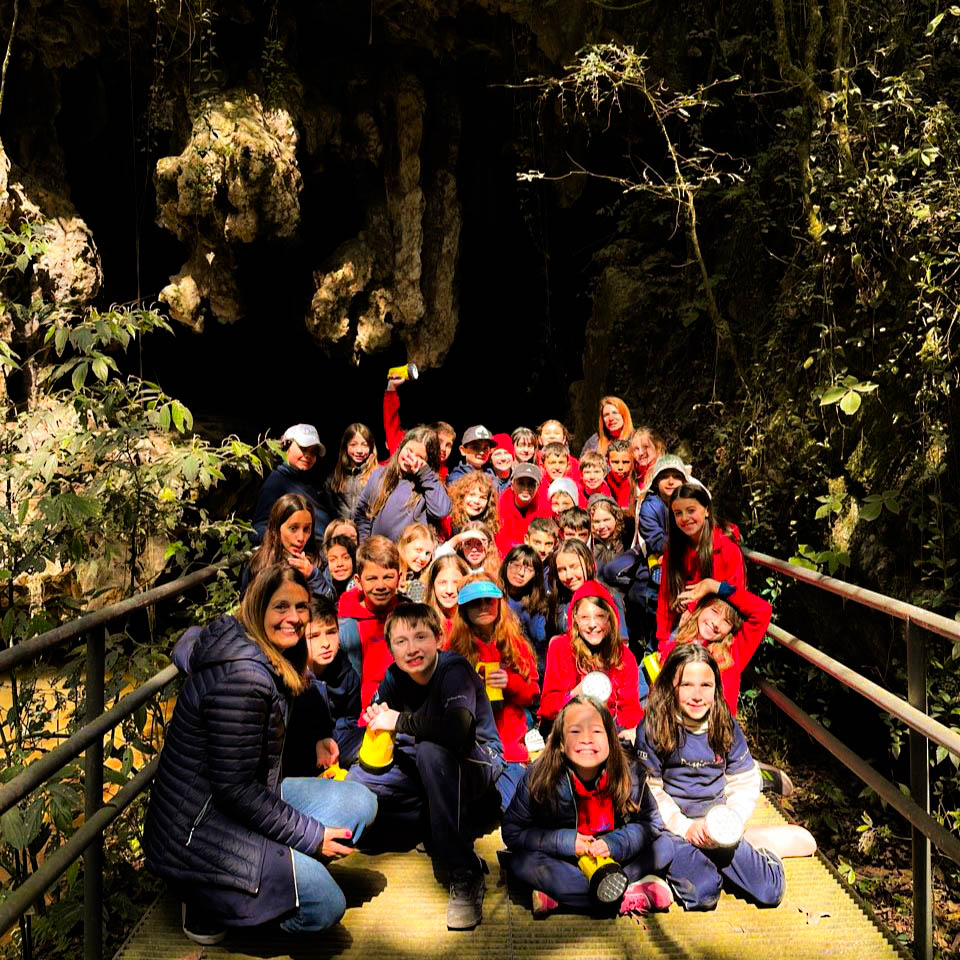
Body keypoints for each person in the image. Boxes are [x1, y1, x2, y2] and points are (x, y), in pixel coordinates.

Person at [144, 565, 378, 942]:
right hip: (199, 832)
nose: (295, 618)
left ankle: (273, 875)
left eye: (301, 607)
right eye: (280, 607)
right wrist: (311, 837)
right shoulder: (244, 678)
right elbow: (234, 791)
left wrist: (318, 735)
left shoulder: (246, 642)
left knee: (359, 802)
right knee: (325, 904)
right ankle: (207, 898)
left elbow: (191, 642)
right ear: (257, 607)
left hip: (240, 799)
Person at [348, 602, 505, 930]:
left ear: (438, 638)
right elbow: (378, 721)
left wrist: (398, 720)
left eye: (420, 637)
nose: (412, 649)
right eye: (401, 642)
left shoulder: (454, 670)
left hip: (476, 759)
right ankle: (434, 823)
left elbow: (457, 730)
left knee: (432, 749)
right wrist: (376, 720)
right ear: (390, 648)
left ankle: (464, 871)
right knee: (359, 780)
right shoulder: (395, 676)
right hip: (423, 764)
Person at [635, 645, 815, 911]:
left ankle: (756, 845)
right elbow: (650, 790)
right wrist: (685, 827)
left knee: (769, 891)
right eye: (687, 685)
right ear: (670, 686)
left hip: (717, 825)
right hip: (673, 827)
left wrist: (732, 821)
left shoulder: (725, 724)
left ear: (716, 688)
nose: (697, 695)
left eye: (706, 685)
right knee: (703, 894)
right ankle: (705, 861)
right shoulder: (652, 727)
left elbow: (744, 780)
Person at [501, 696, 673, 917]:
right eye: (575, 731)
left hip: (614, 858)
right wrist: (566, 841)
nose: (586, 739)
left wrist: (614, 843)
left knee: (666, 845)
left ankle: (568, 898)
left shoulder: (630, 772)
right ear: (561, 744)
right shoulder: (539, 776)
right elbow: (513, 832)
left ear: (611, 740)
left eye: (596, 731)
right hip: (565, 861)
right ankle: (624, 895)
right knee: (521, 862)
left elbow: (652, 823)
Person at [540, 581, 644, 735]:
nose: (592, 624)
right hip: (568, 728)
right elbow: (548, 707)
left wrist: (631, 730)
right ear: (575, 618)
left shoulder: (624, 655)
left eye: (600, 616)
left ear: (610, 619)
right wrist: (575, 694)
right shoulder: (561, 647)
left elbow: (630, 707)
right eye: (584, 617)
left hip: (610, 732)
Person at [658, 579, 772, 717]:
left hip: (716, 732)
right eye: (714, 611)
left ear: (731, 629)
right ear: (701, 608)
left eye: (727, 621)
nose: (717, 623)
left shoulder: (732, 652)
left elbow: (763, 611)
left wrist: (713, 586)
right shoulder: (676, 646)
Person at [656, 483, 746, 644]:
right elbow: (665, 596)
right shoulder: (674, 549)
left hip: (714, 629)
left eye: (691, 511)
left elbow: (736, 596)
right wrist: (662, 640)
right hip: (683, 625)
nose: (684, 518)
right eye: (678, 513)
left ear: (706, 510)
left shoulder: (727, 549)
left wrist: (693, 608)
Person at [285, 597, 364, 771]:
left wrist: (331, 737)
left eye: (331, 632)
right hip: (301, 750)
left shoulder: (347, 673)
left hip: (336, 743)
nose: (326, 644)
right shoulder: (291, 676)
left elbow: (350, 718)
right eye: (313, 636)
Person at [337, 536, 402, 710]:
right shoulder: (345, 624)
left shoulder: (408, 616)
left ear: (399, 578)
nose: (380, 586)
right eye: (372, 578)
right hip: (360, 717)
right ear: (358, 582)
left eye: (388, 577)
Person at [355, 426, 452, 542]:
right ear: (402, 446)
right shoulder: (379, 475)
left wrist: (425, 473)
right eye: (409, 450)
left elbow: (442, 510)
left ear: (427, 463)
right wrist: (364, 544)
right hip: (377, 554)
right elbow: (362, 513)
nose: (410, 457)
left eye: (419, 456)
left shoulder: (428, 486)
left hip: (410, 556)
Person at [241, 494, 334, 601]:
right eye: (293, 528)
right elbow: (246, 609)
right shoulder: (257, 563)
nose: (301, 538)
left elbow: (329, 605)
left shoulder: (319, 561)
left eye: (306, 529)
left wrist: (313, 575)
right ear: (276, 528)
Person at [251, 424, 330, 544]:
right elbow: (257, 529)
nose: (308, 455)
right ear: (285, 447)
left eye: (313, 452)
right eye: (303, 449)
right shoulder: (276, 482)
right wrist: (285, 543)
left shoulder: (312, 480)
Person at [383, 369, 456, 482]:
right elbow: (391, 421)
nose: (443, 449)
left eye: (448, 445)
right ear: (429, 439)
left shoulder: (446, 474)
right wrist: (391, 387)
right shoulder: (406, 451)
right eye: (440, 441)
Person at [500, 545, 550, 675]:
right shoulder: (493, 596)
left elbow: (540, 647)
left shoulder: (538, 604)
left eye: (529, 569)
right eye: (516, 565)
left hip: (530, 669)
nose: (521, 573)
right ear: (507, 564)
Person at [327, 424, 379, 521]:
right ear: (345, 446)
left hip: (367, 533)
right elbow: (329, 507)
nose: (359, 450)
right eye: (353, 444)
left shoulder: (378, 475)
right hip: (342, 531)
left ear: (371, 447)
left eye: (364, 445)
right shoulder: (335, 475)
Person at [496, 462, 546, 555]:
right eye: (521, 483)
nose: (526, 488)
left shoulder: (544, 512)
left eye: (531, 484)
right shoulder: (498, 510)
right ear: (512, 485)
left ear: (538, 487)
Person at [434, 521, 501, 578]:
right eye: (468, 544)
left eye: (479, 544)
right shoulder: (457, 566)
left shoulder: (497, 570)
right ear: (461, 546)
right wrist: (458, 538)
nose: (474, 549)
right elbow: (437, 558)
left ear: (489, 545)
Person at [424, 553, 470, 635]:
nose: (449, 590)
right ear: (432, 585)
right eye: (442, 583)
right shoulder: (421, 622)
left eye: (456, 583)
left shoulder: (474, 622)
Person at [447, 470, 501, 537]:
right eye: (472, 495)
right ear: (462, 496)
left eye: (483, 497)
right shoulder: (449, 523)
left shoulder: (490, 525)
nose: (477, 501)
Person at [396, 522, 436, 602]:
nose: (423, 558)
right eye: (418, 550)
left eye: (428, 553)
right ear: (404, 546)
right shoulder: (391, 571)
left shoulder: (422, 576)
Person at [589, 495, 625, 569]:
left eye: (606, 520)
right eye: (596, 521)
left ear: (616, 518)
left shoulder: (626, 539)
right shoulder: (590, 544)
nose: (601, 526)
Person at [631, 426, 667, 497]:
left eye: (646, 447)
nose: (641, 453)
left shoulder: (666, 472)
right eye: (636, 449)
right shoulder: (634, 475)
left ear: (658, 447)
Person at [323, 534, 359, 600]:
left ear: (354, 560)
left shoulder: (362, 588)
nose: (339, 564)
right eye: (333, 559)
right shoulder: (322, 586)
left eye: (346, 558)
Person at [606, 438, 635, 511]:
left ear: (633, 462)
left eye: (625, 462)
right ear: (608, 462)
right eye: (615, 462)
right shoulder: (604, 482)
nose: (620, 467)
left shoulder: (637, 483)